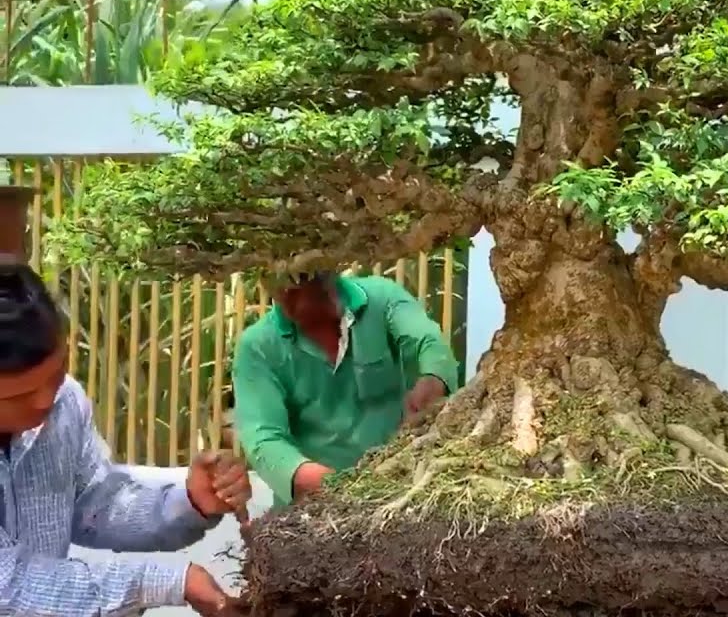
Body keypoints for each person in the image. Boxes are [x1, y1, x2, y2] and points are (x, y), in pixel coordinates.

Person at [0, 187, 253, 617]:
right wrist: (172, 580)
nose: (47, 399)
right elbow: (11, 586)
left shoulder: (65, 405)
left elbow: (96, 503)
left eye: (57, 373)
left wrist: (189, 502)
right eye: (22, 394)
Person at [233, 271, 459, 505]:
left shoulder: (381, 298)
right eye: (276, 286)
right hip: (315, 511)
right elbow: (263, 438)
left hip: (401, 491)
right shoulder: (258, 347)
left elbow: (428, 342)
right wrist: (332, 486)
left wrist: (433, 381)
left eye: (298, 281)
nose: (286, 292)